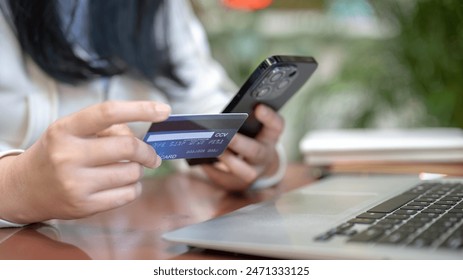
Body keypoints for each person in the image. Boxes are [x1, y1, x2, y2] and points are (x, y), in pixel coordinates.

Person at [0, 0, 286, 228]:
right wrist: (15, 185)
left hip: (133, 238)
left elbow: (202, 99)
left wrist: (252, 158)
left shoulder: (162, 6)